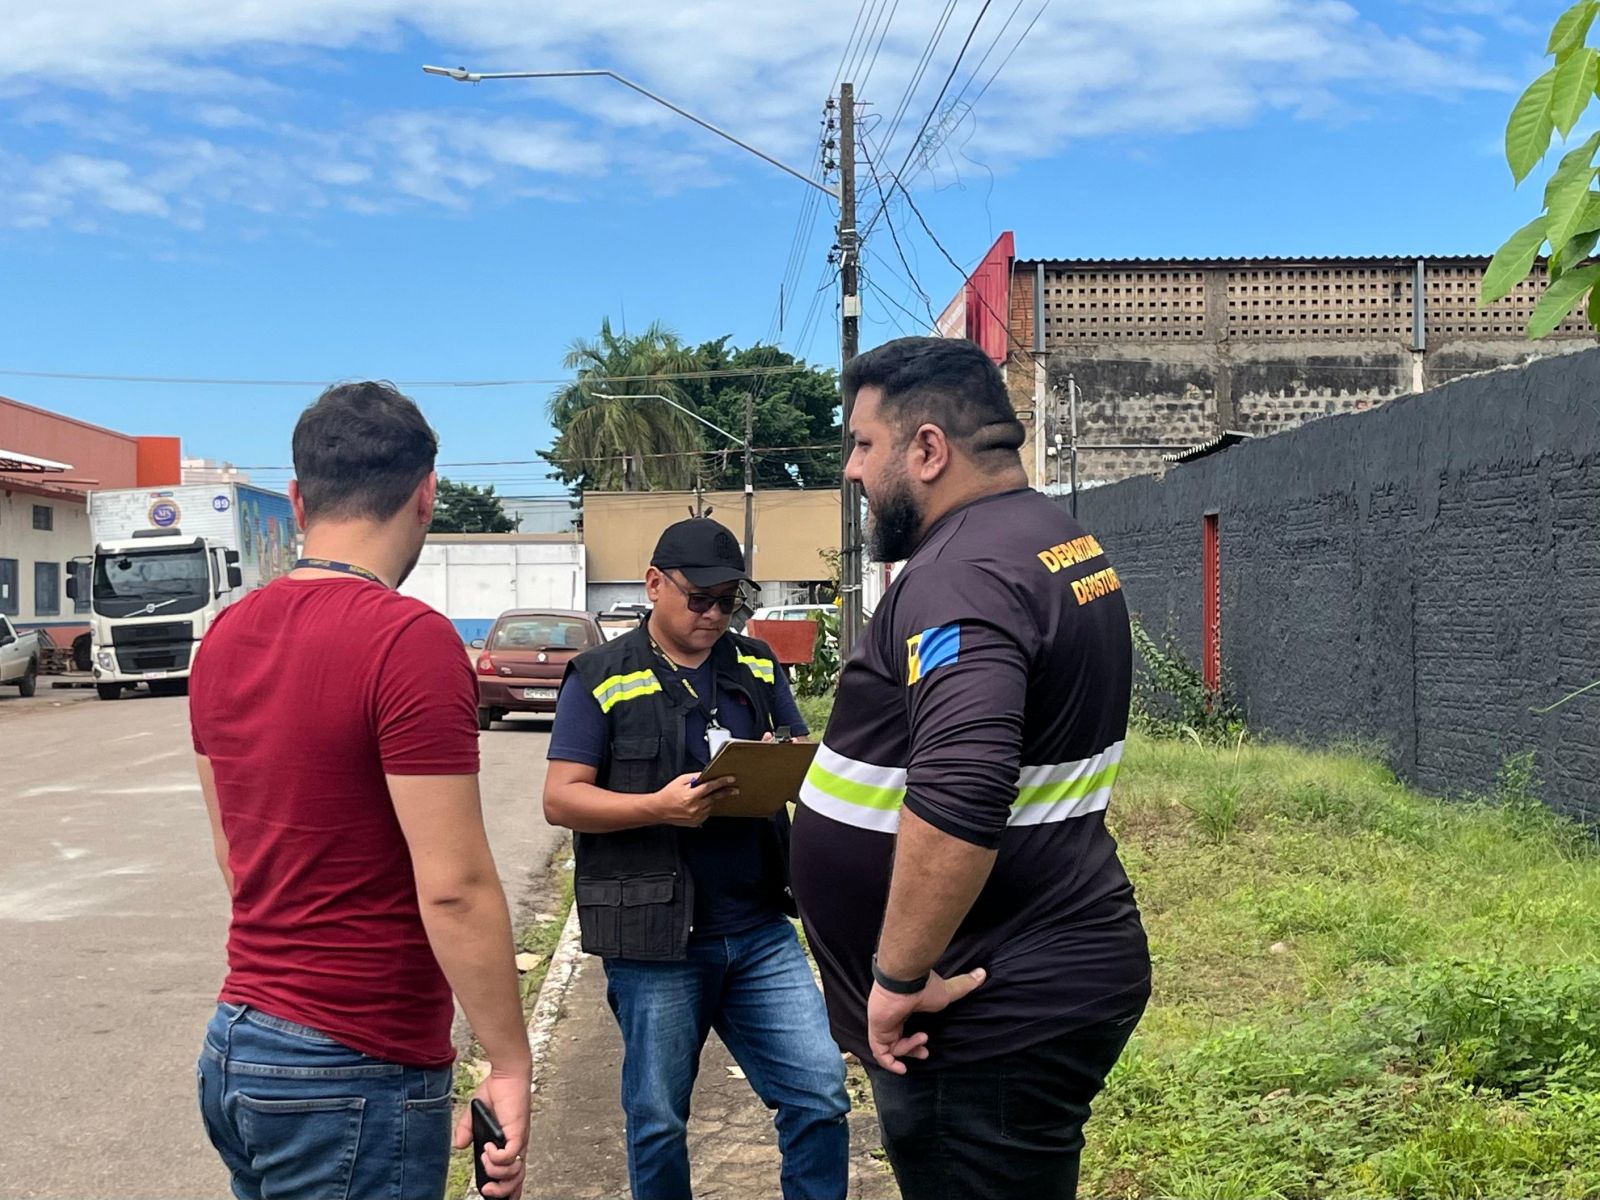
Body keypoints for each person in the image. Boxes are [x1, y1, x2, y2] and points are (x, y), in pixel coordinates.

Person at [791, 337, 1152, 1200]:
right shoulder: (1053, 541)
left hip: (977, 1011)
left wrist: (894, 977)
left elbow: (962, 787)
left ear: (927, 449)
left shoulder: (960, 575)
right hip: (1045, 961)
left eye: (863, 444)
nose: (851, 469)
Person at [190, 381, 529, 1200]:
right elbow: (454, 888)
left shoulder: (224, 636)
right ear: (426, 495)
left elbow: (235, 857)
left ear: (299, 499)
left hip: (240, 1047)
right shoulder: (408, 641)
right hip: (352, 1065)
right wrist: (509, 1062)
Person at [543, 517, 850, 1200]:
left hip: (759, 927)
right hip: (656, 939)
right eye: (699, 599)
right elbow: (561, 799)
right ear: (655, 584)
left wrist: (781, 762)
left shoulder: (757, 664)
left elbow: (799, 755)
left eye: (728, 602)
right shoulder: (601, 676)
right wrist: (657, 807)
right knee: (657, 1121)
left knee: (821, 1093)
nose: (714, 615)